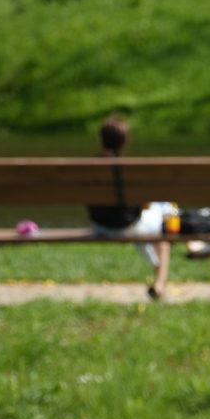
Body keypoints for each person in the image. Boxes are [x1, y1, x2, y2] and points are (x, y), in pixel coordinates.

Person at [87, 115, 172, 301]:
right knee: (162, 224)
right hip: (128, 226)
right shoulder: (129, 169)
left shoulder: (88, 168)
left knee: (148, 224)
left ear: (100, 140)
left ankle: (159, 280)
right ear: (125, 142)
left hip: (99, 226)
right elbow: (144, 204)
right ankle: (160, 284)